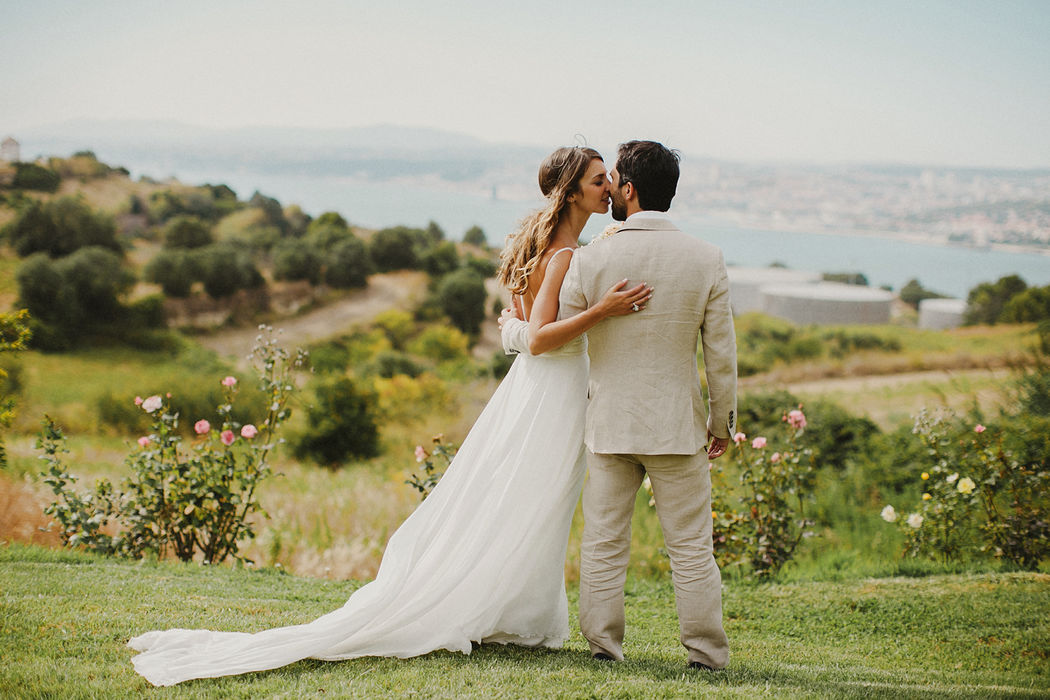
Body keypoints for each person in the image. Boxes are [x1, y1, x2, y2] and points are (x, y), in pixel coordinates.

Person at [126, 145, 650, 687]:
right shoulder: (564, 255)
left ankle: (515, 613)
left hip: (535, 391)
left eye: (608, 179)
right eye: (596, 181)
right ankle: (506, 614)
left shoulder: (550, 246)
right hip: (553, 394)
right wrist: (602, 312)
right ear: (570, 193)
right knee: (536, 503)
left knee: (525, 503)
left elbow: (514, 331)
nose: (607, 187)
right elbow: (538, 338)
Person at [501, 140, 738, 671]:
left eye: (613, 181)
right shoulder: (707, 258)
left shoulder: (590, 259)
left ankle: (604, 648)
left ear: (628, 189)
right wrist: (721, 423)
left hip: (607, 425)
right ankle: (706, 655)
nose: (608, 188)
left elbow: (548, 336)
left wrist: (514, 325)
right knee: (692, 551)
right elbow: (720, 354)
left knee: (605, 545)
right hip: (679, 428)